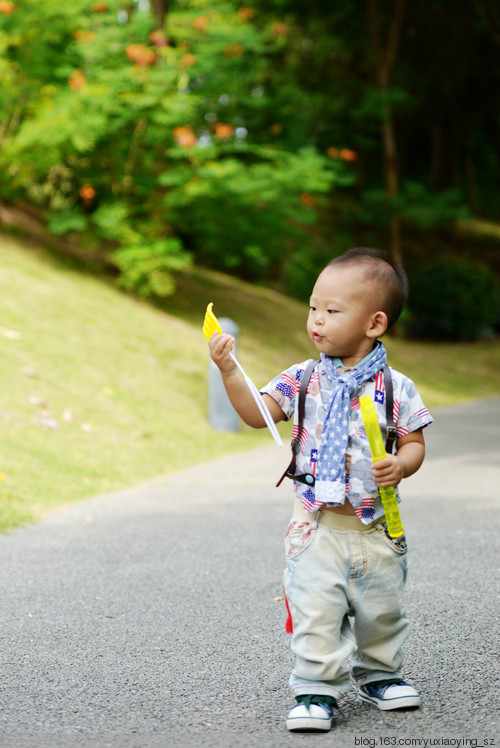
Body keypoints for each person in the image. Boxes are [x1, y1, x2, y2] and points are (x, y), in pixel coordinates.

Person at [208, 247, 433, 733]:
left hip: (375, 526)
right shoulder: (301, 379)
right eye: (313, 307)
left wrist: (402, 464)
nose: (317, 320)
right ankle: (315, 687)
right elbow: (256, 415)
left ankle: (381, 675)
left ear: (374, 324)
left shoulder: (396, 387)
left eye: (332, 311)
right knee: (315, 608)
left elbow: (414, 442)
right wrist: (230, 371)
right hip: (315, 526)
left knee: (381, 608)